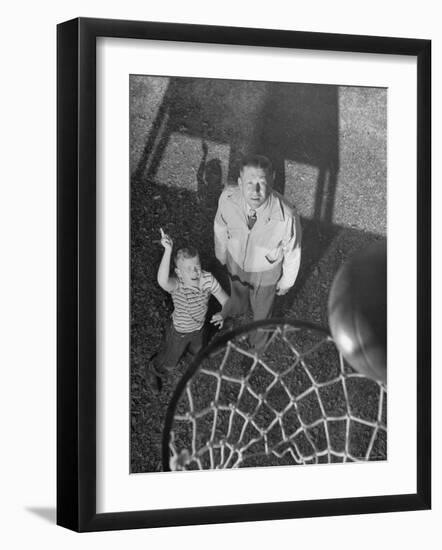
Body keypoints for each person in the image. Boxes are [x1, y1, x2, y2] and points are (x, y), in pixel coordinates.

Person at [214, 154, 302, 349]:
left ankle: (257, 345)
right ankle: (237, 310)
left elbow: (293, 251)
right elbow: (220, 226)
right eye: (249, 183)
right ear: (239, 182)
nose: (255, 191)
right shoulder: (228, 199)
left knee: (262, 313)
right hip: (236, 262)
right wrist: (221, 252)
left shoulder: (287, 216)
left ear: (273, 179)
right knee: (237, 294)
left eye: (262, 183)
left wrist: (287, 281)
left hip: (266, 273)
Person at [145, 228, 229, 392]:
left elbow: (225, 299)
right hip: (179, 332)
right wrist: (168, 251)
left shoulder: (207, 280)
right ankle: (153, 370)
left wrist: (223, 313)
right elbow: (162, 281)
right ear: (179, 272)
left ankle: (190, 357)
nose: (195, 271)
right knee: (170, 362)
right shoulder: (177, 285)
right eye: (188, 268)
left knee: (196, 349)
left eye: (197, 265)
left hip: (198, 328)